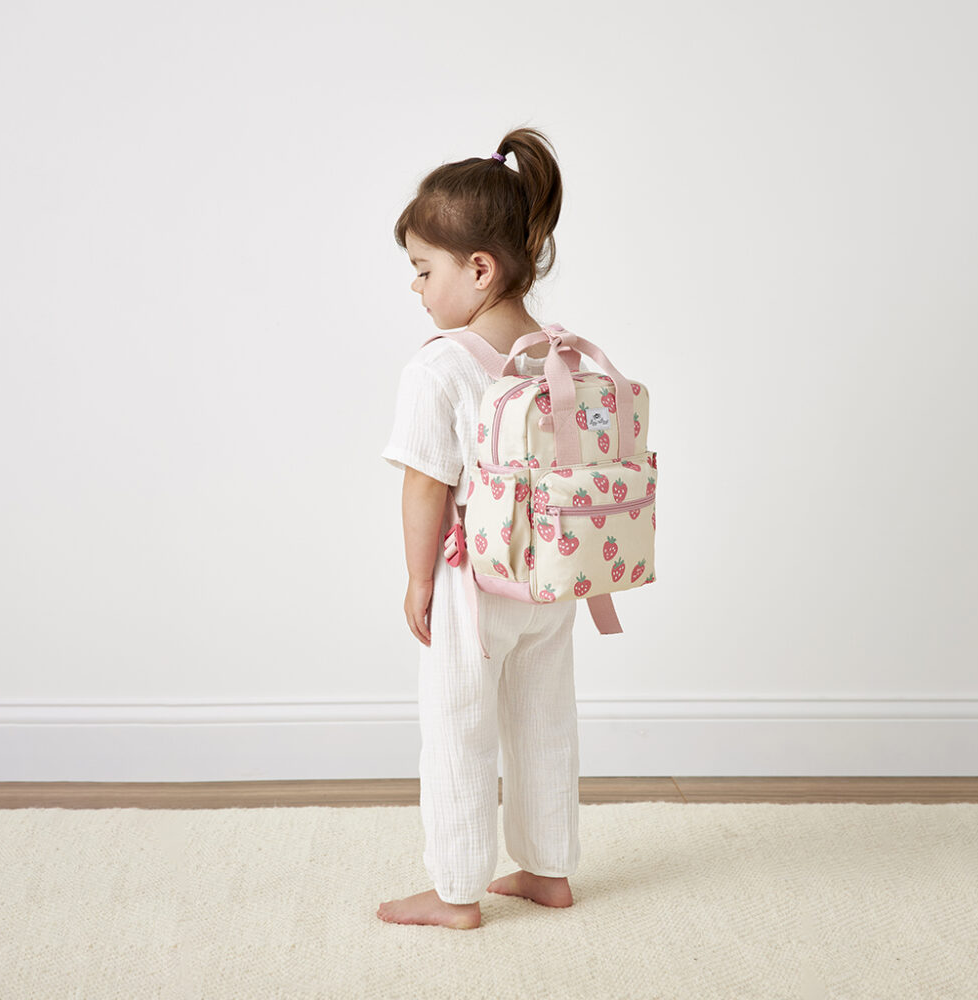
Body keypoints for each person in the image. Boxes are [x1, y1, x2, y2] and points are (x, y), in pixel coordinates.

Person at [378, 127, 580, 930]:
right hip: (550, 574)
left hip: (476, 580)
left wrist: (420, 579)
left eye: (425, 269)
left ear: (479, 269)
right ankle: (548, 870)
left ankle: (456, 890)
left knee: (459, 728)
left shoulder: (440, 365)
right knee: (542, 718)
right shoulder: (555, 352)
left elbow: (428, 484)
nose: (418, 289)